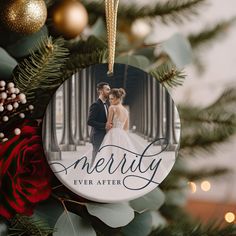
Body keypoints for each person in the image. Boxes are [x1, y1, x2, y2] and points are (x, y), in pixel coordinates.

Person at [87, 82, 111, 164]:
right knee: (95, 159)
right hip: (97, 136)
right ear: (101, 91)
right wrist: (105, 125)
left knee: (102, 160)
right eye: (107, 89)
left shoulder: (106, 105)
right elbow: (90, 121)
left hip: (105, 136)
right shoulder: (96, 105)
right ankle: (90, 176)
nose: (109, 91)